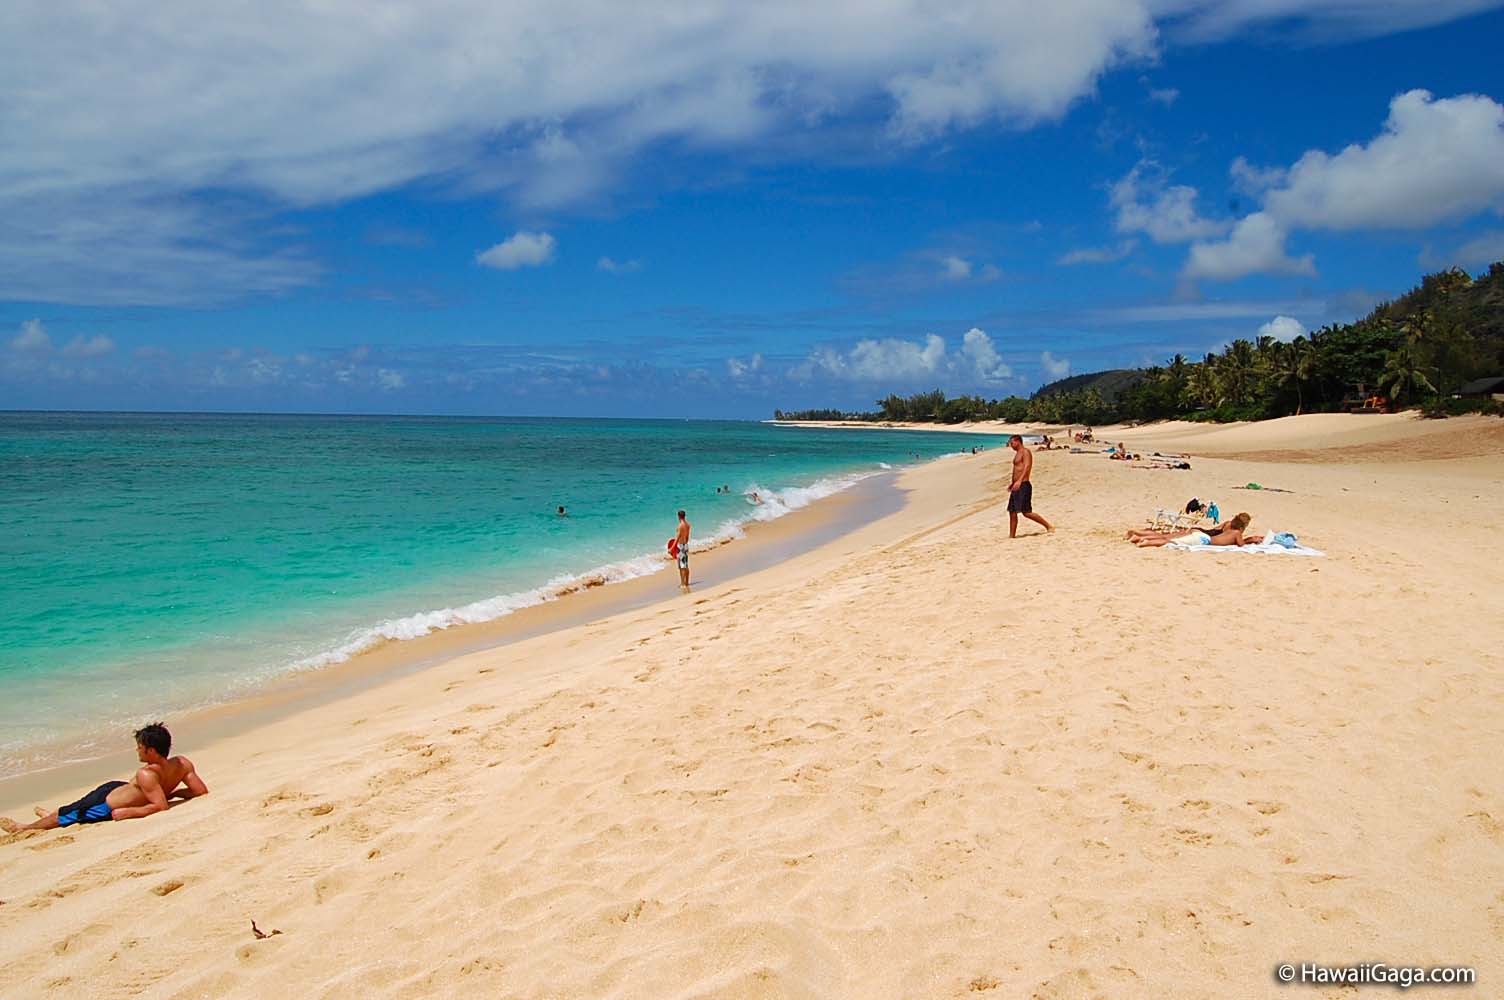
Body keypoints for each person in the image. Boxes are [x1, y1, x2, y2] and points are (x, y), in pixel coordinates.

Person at [1, 722, 208, 834]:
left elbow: (160, 806)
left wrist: (130, 812)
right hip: (118, 788)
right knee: (72, 809)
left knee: (70, 814)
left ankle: (24, 828)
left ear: (151, 751)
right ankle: (49, 816)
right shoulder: (181, 763)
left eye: (140, 747)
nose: (137, 751)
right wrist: (172, 792)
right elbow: (198, 791)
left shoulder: (146, 774)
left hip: (105, 804)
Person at [1005, 434, 1054, 538]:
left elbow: (1027, 467)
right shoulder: (1017, 453)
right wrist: (1013, 483)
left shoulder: (1025, 452)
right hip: (1017, 485)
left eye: (1012, 443)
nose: (1011, 445)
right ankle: (1012, 536)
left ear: (1018, 441)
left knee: (1026, 512)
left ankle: (1048, 526)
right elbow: (1017, 469)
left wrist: (1019, 481)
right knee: (1012, 511)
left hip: (1023, 485)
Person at [1132, 512, 1252, 548]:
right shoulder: (1236, 533)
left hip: (1199, 531)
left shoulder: (1228, 524)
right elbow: (1241, 544)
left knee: (1167, 536)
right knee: (1171, 541)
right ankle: (1146, 542)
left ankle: (1138, 535)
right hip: (1202, 537)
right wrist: (1251, 539)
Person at [675, 509, 691, 593]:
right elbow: (687, 537)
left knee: (681, 566)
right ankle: (687, 582)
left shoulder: (680, 526)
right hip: (685, 545)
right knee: (686, 564)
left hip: (680, 546)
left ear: (678, 516)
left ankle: (682, 583)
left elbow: (677, 539)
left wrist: (671, 548)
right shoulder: (688, 525)